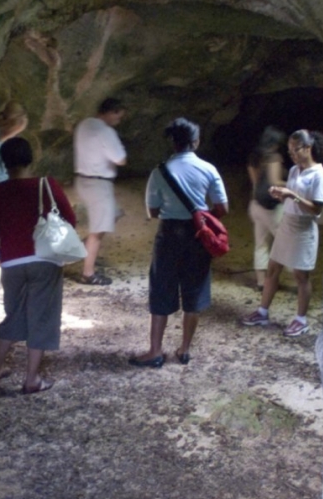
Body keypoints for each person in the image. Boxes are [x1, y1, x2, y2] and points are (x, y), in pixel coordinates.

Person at [0, 137, 76, 394]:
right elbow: (71, 220)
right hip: (45, 260)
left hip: (12, 262)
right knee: (41, 317)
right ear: (31, 159)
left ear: (3, 163)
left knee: (14, 315)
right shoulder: (47, 186)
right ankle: (31, 379)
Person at [129, 117, 228, 368]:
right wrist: (202, 217)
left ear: (173, 143)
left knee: (161, 288)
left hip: (169, 234)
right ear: (196, 141)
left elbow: (152, 211)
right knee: (194, 290)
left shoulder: (159, 172)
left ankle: (155, 351)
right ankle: (184, 350)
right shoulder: (208, 169)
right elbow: (222, 208)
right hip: (198, 235)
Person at [240, 129, 323, 337]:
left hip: (303, 227)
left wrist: (291, 195)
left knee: (301, 275)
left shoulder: (319, 175)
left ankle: (301, 319)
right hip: (287, 222)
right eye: (290, 151)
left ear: (308, 148)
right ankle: (263, 312)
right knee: (273, 268)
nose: (293, 155)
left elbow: (316, 208)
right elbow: (291, 196)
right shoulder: (294, 171)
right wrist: (281, 195)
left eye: (296, 150)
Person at [73, 97, 127, 285]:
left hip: (82, 181)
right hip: (99, 185)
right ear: (112, 112)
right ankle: (88, 274)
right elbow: (121, 159)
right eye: (118, 116)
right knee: (97, 231)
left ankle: (87, 249)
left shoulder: (84, 124)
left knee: (114, 213)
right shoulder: (106, 131)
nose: (118, 120)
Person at [0, 101, 28, 317]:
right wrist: (22, 121)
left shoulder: (0, 139)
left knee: (7, 251)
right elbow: (19, 127)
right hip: (1, 202)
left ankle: (6, 296)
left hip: (8, 200)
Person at [246, 126, 288, 290]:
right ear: (276, 143)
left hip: (255, 204)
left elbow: (256, 182)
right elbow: (274, 181)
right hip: (271, 208)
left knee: (261, 244)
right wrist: (294, 184)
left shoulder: (255, 157)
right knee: (288, 241)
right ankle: (297, 279)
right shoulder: (274, 157)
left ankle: (261, 281)